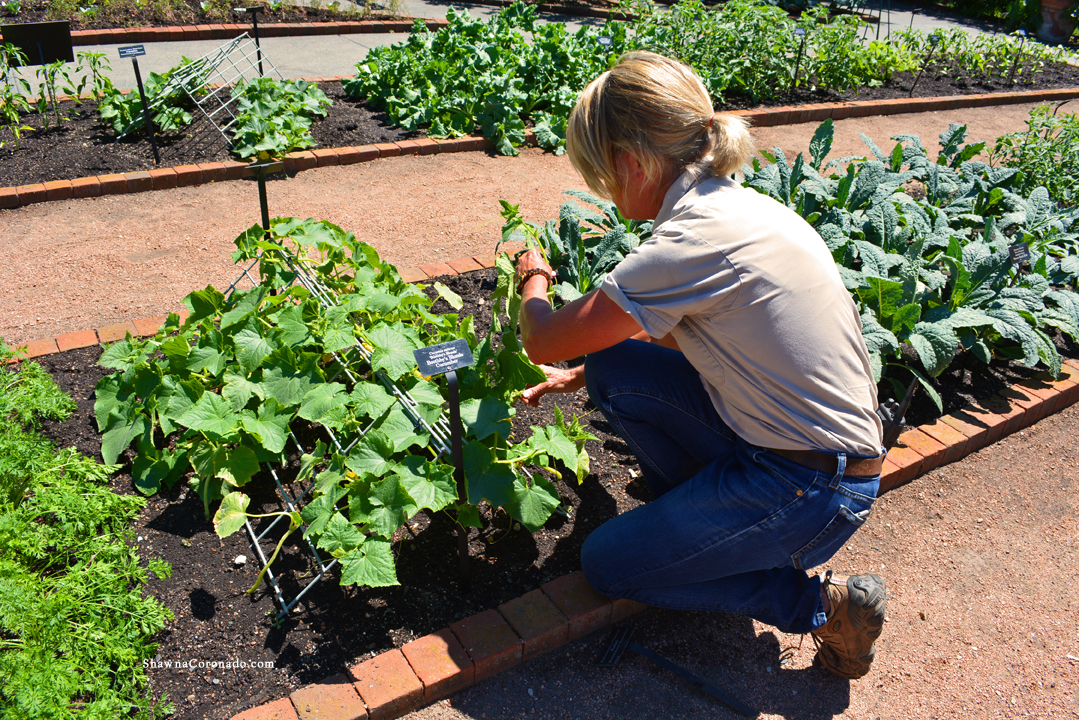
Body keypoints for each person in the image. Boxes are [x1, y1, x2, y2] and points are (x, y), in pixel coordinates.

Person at [512, 51, 888, 680]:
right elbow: (721, 340)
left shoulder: (690, 240)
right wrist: (583, 373)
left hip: (811, 490)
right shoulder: (737, 209)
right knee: (611, 369)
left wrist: (535, 277)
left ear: (632, 162)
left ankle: (818, 605)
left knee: (608, 565)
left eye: (599, 169)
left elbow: (543, 337)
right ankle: (701, 539)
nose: (601, 184)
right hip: (816, 457)